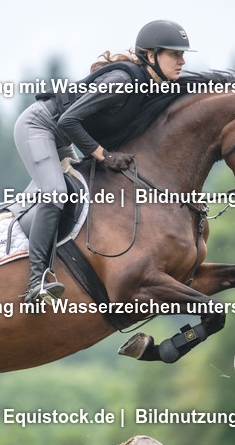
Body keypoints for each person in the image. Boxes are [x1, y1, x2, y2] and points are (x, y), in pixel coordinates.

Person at [14, 20, 192, 306]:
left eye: (183, 55)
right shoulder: (122, 82)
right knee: (57, 193)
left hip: (63, 135)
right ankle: (36, 282)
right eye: (174, 54)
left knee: (85, 194)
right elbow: (68, 120)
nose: (182, 61)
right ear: (151, 56)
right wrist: (105, 156)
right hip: (40, 128)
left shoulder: (151, 85)